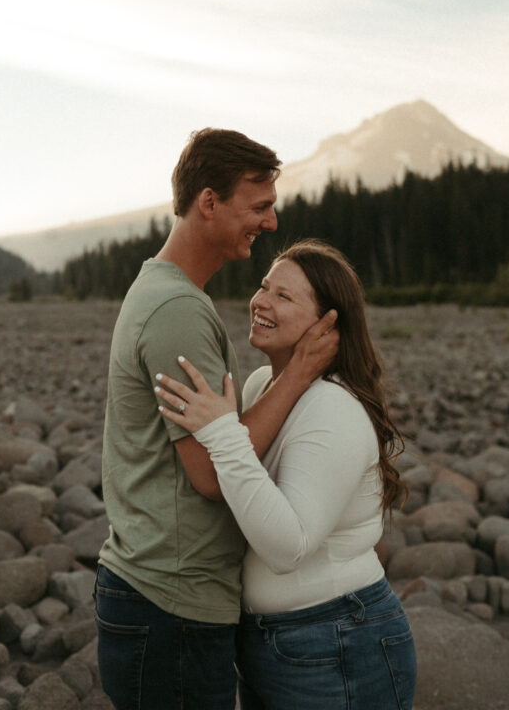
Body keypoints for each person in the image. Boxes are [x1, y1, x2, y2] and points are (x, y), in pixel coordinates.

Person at [95, 131, 338, 710]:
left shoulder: (165, 290)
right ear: (209, 202)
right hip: (170, 604)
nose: (272, 222)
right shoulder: (177, 308)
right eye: (259, 207)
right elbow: (209, 472)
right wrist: (299, 373)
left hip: (158, 596)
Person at [157, 239, 417, 710]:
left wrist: (221, 431)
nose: (260, 301)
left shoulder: (332, 407)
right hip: (271, 643)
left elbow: (287, 546)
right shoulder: (262, 383)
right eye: (263, 287)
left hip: (336, 638)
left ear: (328, 323)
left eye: (284, 296)